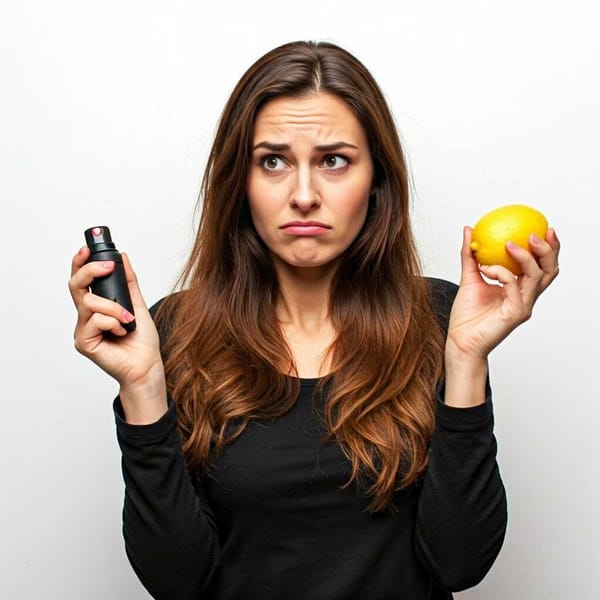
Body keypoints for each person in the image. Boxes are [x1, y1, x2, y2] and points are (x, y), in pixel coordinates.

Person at [68, 41, 560, 600]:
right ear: (241, 183)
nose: (304, 195)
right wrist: (143, 387)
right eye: (273, 161)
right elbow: (177, 581)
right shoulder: (174, 332)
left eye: (334, 160)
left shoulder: (440, 319)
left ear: (377, 180)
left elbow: (459, 564)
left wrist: (467, 359)